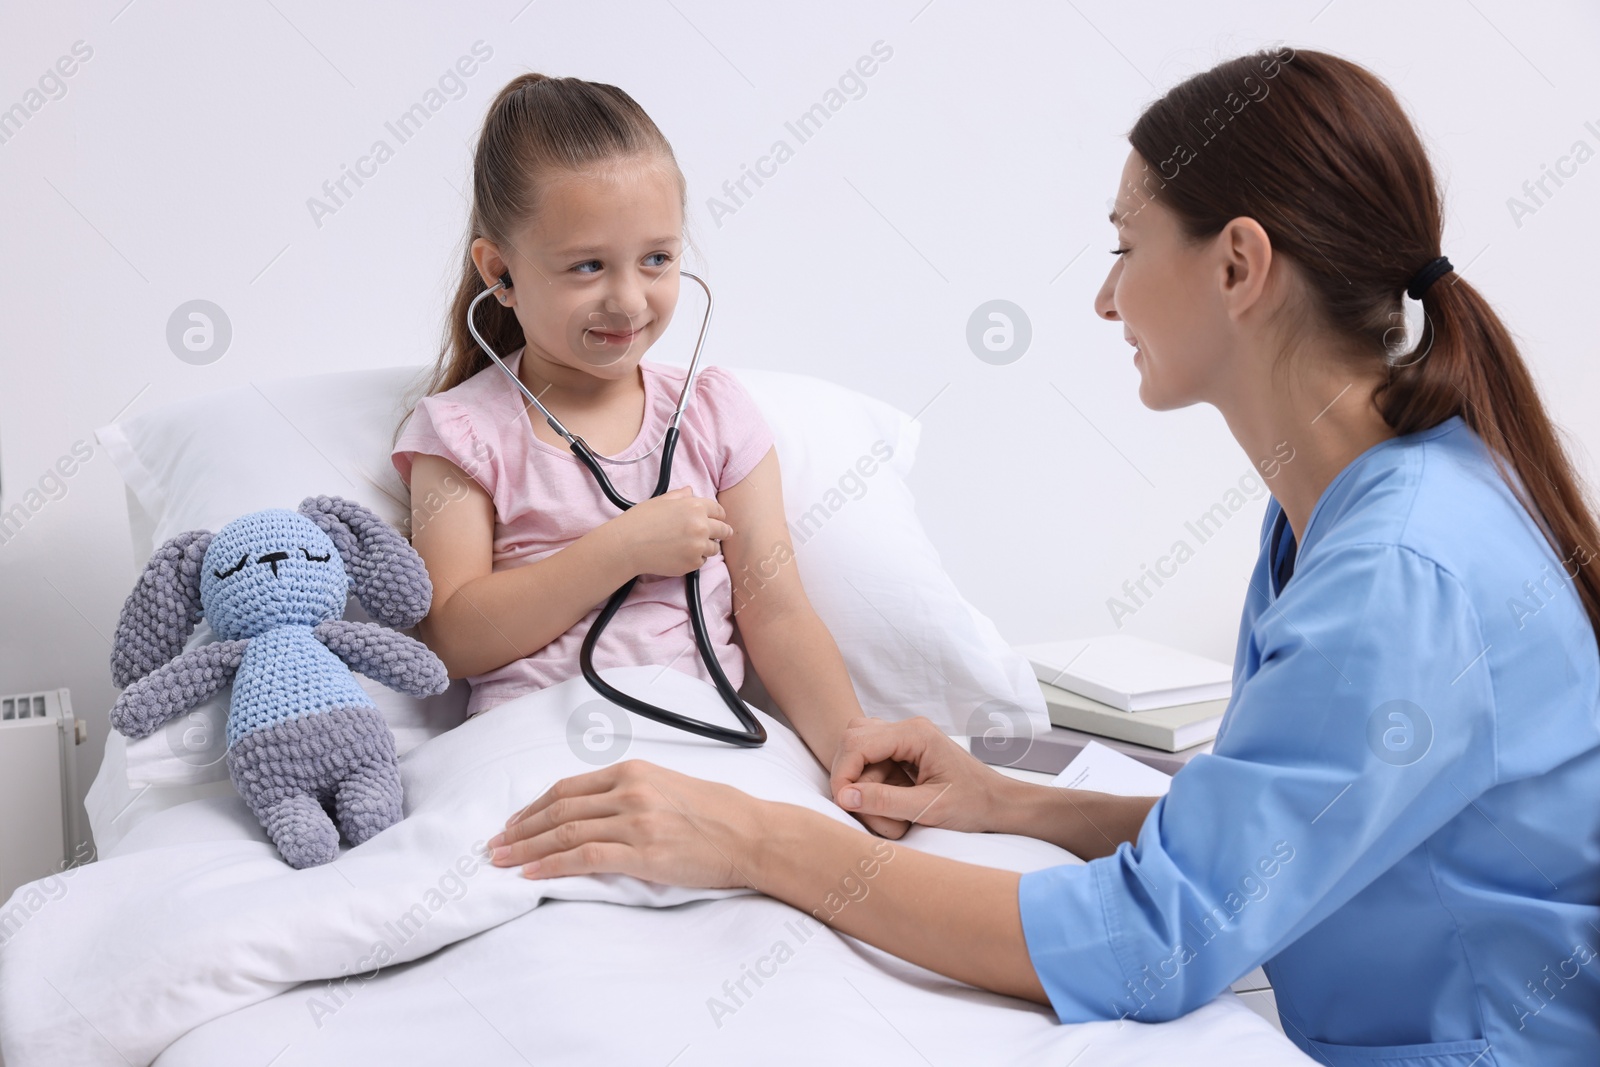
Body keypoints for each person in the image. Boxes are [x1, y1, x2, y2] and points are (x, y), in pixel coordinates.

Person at [484, 47, 1600, 1064]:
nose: (1106, 294)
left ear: (1238, 266)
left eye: (1124, 246)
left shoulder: (1400, 575)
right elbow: (1263, 836)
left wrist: (757, 839)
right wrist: (1007, 802)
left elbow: (1149, 944)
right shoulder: (1356, 511)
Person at [392, 72, 910, 836]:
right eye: (587, 266)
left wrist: (854, 754)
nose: (630, 301)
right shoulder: (462, 433)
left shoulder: (712, 411)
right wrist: (622, 548)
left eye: (658, 260)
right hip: (536, 751)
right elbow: (454, 639)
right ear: (498, 272)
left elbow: (778, 612)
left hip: (701, 741)